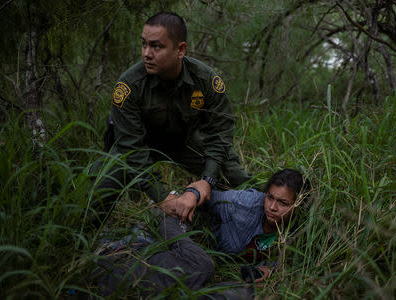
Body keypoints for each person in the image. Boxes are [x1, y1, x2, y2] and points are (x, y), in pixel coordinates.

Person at [94, 12, 250, 221]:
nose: (147, 53)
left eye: (156, 46)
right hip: (141, 144)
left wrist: (207, 180)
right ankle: (84, 243)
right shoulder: (129, 86)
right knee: (99, 190)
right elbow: (131, 147)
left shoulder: (205, 80)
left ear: (180, 50)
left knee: (237, 179)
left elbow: (220, 132)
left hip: (185, 142)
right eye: (144, 44)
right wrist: (162, 197)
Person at [92, 168, 310, 298]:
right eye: (270, 197)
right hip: (178, 222)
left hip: (200, 252)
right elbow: (195, 200)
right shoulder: (242, 204)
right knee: (200, 265)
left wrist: (265, 271)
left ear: (298, 204)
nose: (271, 207)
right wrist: (188, 196)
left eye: (283, 203)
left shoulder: (299, 233)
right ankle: (114, 257)